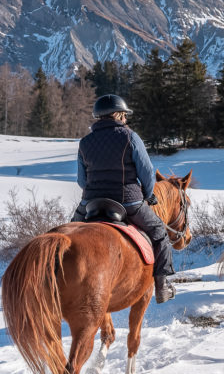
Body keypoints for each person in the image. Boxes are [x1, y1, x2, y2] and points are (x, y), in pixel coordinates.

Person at [73, 94, 177, 303]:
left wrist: (93, 192)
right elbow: (147, 172)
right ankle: (162, 286)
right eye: (124, 115)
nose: (125, 119)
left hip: (90, 203)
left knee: (66, 236)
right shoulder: (130, 136)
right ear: (119, 115)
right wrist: (148, 195)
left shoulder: (85, 142)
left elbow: (81, 180)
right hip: (127, 202)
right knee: (159, 233)